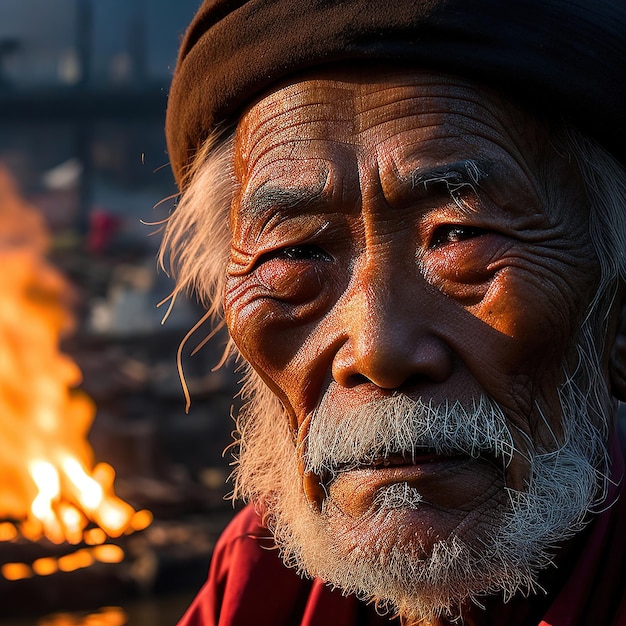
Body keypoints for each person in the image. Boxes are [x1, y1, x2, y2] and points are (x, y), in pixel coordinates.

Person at [161, 1, 626, 624]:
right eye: (295, 253)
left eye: (462, 237)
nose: (377, 350)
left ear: (619, 316)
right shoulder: (258, 578)